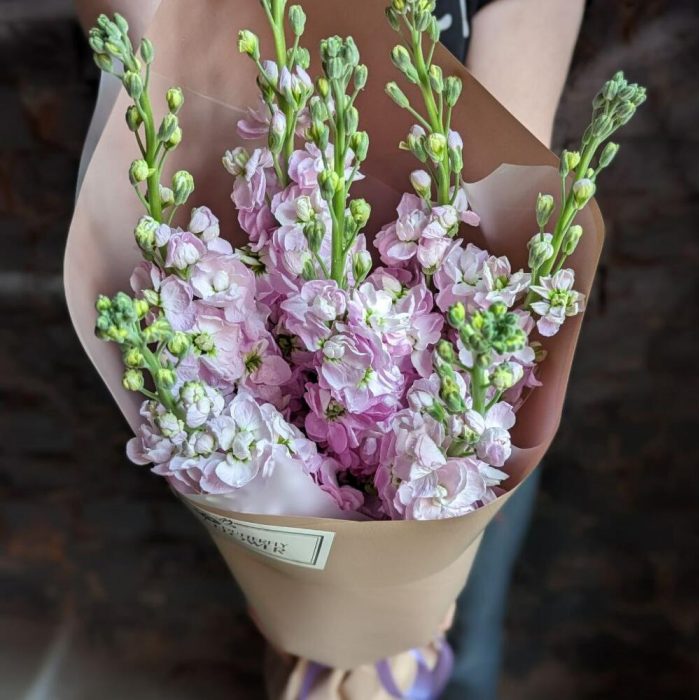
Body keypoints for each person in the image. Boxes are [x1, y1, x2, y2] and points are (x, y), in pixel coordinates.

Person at [75, 2, 585, 698]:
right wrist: (319, 615)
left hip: (463, 344)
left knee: (466, 627)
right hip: (254, 333)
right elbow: (153, 38)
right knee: (301, 625)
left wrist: (403, 610)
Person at [434, 2, 584, 697]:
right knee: (310, 646)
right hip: (268, 347)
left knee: (461, 644)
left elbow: (504, 190)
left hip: (462, 357)